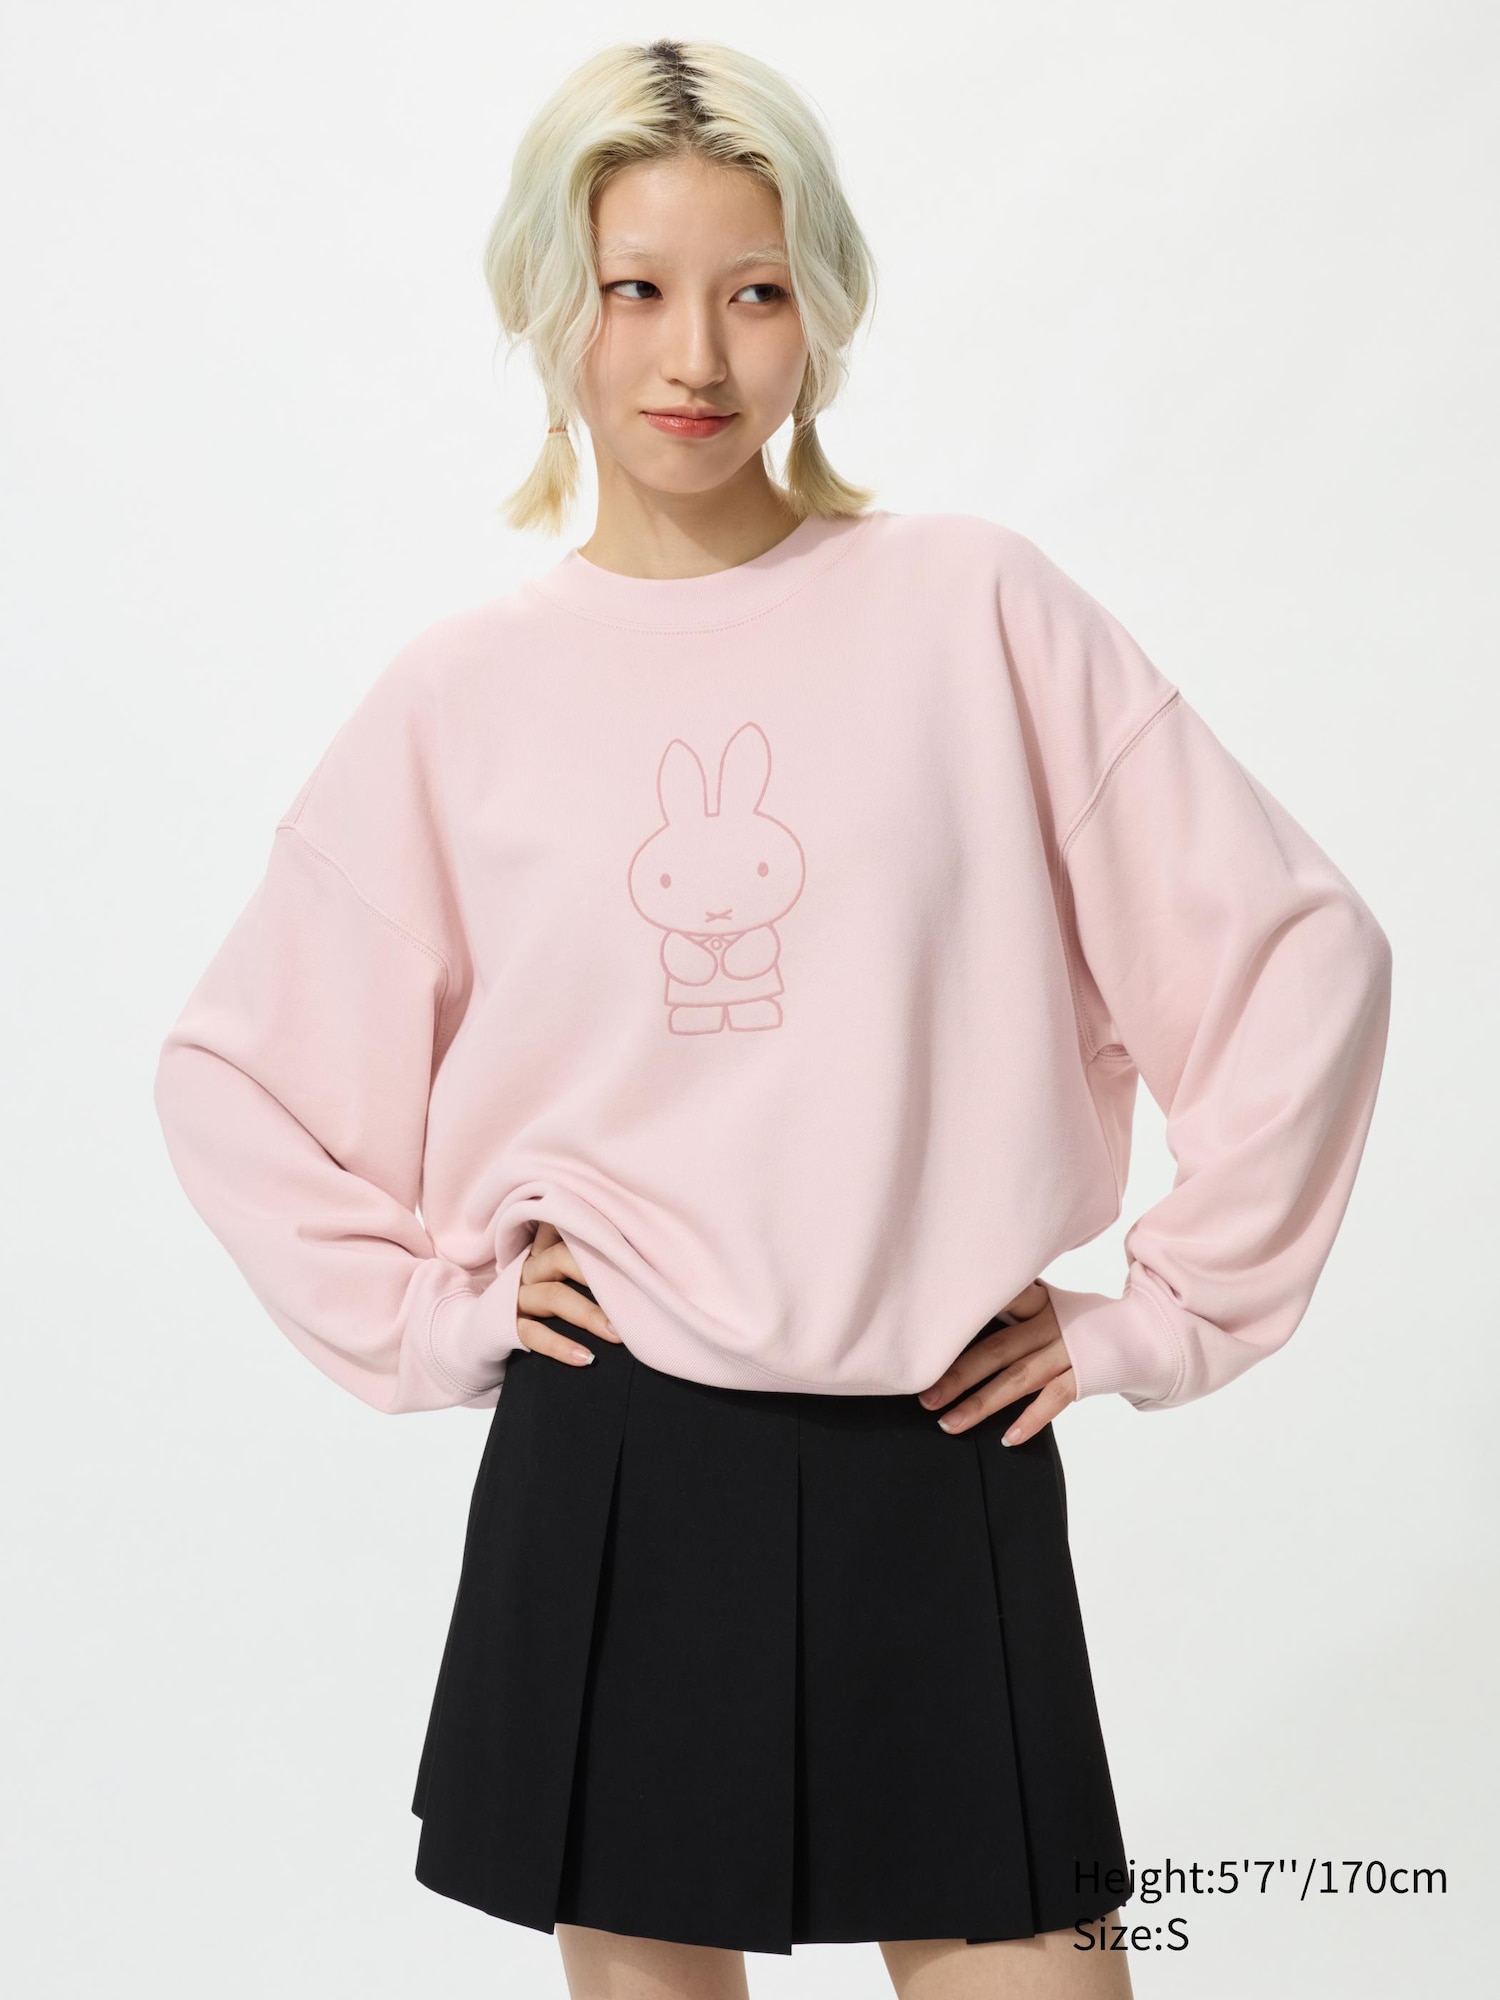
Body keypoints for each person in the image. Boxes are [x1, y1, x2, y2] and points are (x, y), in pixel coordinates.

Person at [152, 36, 1393, 2000]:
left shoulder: (978, 609)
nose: (695, 357)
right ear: (548, 305)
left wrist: (1162, 1314)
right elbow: (235, 1074)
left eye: (753, 290)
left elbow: (1298, 954)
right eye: (634, 288)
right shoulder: (464, 697)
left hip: (939, 1437)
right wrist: (431, 1312)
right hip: (617, 1462)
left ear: (821, 303)